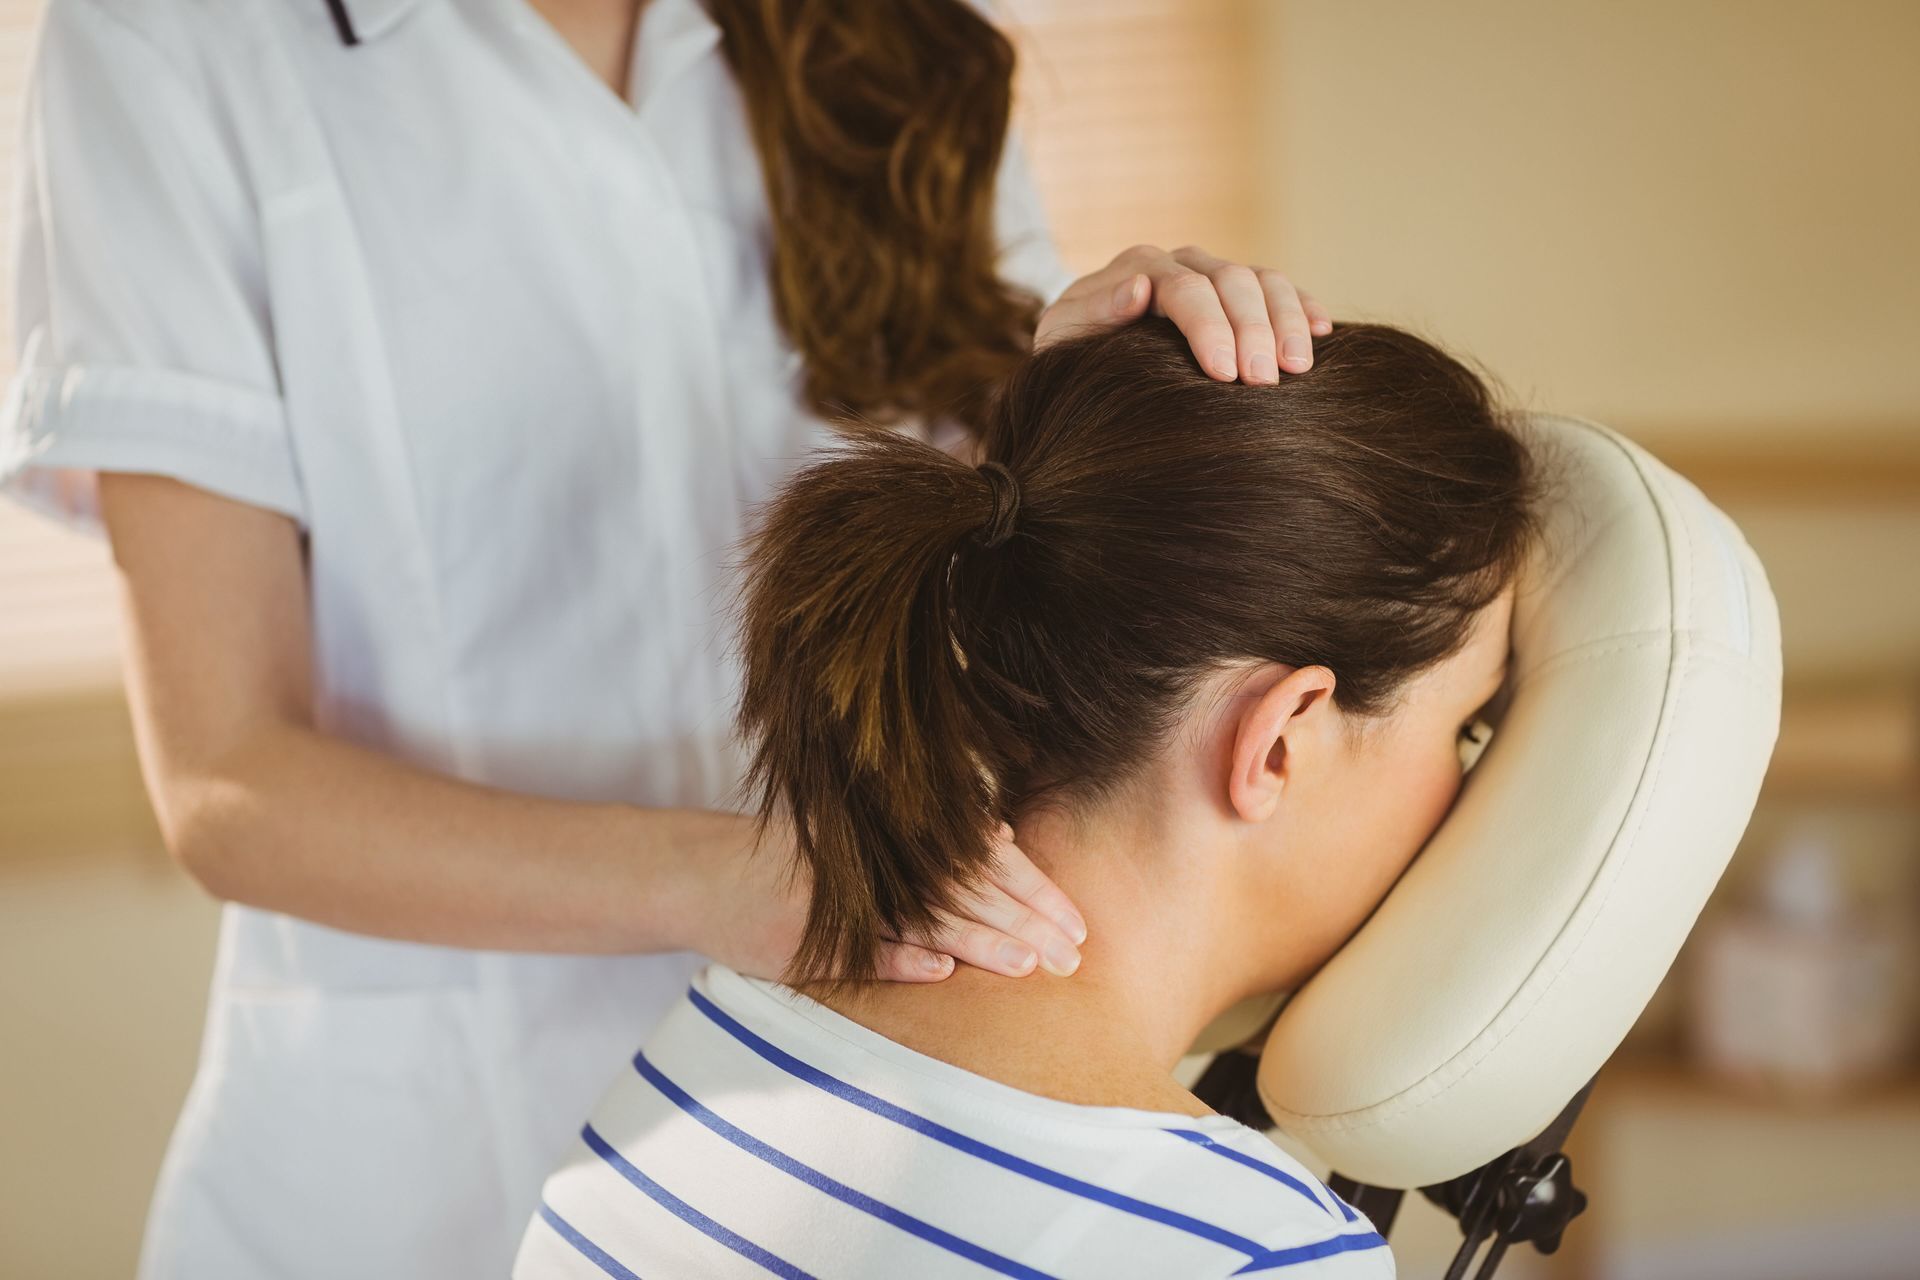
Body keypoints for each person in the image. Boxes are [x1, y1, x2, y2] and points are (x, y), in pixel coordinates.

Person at [0, 0, 1332, 1273]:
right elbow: (232, 786)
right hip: (416, 1174)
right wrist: (732, 878)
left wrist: (1076, 397)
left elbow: (979, 560)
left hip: (825, 1158)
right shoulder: (170, 39)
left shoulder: (902, 37)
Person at [516, 316, 1542, 1278]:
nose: (1466, 789)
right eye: (1463, 728)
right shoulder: (1253, 1249)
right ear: (1276, 743)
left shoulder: (714, 1041)